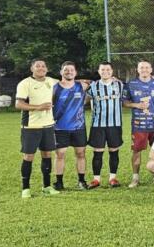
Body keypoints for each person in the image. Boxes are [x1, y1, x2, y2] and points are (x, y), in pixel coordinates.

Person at [15, 59, 61, 198]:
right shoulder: (25, 83)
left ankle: (46, 186)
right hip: (31, 126)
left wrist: (92, 81)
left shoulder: (51, 81)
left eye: (43, 66)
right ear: (32, 69)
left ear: (46, 69)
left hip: (48, 125)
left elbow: (68, 82)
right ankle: (26, 188)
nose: (41, 68)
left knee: (47, 155)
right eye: (37, 66)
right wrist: (38, 107)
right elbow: (18, 104)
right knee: (29, 156)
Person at [123, 59, 154, 188]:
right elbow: (125, 102)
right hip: (139, 125)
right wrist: (136, 104)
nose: (144, 70)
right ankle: (135, 178)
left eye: (147, 68)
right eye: (141, 68)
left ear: (151, 69)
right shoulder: (131, 83)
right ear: (137, 70)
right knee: (137, 151)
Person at [86, 62, 124, 189]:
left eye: (108, 69)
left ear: (112, 71)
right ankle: (96, 179)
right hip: (98, 124)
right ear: (99, 71)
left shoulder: (119, 84)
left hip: (115, 123)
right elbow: (83, 98)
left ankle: (113, 178)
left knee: (114, 151)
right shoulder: (93, 86)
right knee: (98, 152)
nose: (105, 72)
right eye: (102, 70)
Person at [52, 61, 89, 191]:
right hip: (60, 128)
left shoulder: (82, 86)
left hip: (79, 127)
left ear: (76, 72)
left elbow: (98, 81)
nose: (69, 72)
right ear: (61, 72)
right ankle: (59, 182)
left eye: (72, 70)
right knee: (60, 154)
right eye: (66, 70)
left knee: (80, 153)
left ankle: (81, 181)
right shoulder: (55, 88)